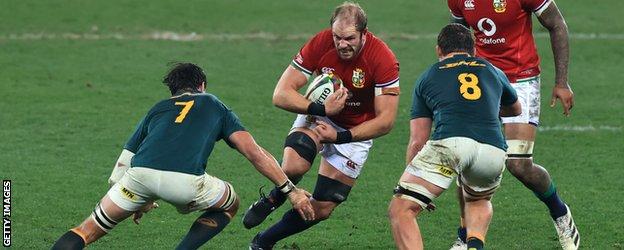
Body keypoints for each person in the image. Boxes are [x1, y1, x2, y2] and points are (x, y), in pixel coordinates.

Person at [51, 63, 315, 250]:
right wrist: (290, 191)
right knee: (230, 203)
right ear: (202, 85)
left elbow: (123, 163)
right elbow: (253, 153)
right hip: (185, 184)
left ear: (172, 92)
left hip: (137, 177)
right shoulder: (213, 103)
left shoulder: (158, 109)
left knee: (85, 231)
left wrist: (138, 200)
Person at [243, 2, 400, 249]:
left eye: (349, 38)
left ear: (364, 33)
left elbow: (386, 121)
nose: (341, 44)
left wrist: (340, 137)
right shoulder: (321, 43)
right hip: (320, 116)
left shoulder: (382, 58)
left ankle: (264, 241)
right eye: (337, 37)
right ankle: (273, 199)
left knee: (324, 207)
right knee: (294, 166)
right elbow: (280, 94)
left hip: (354, 132)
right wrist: (321, 110)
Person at [446, 0, 579, 249]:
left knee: (519, 164)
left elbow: (557, 24)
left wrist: (562, 82)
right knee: (468, 161)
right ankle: (465, 235)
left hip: (522, 78)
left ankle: (559, 212)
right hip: (481, 79)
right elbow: (457, 38)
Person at [388, 23, 521, 250]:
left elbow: (418, 140)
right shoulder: (492, 69)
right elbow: (515, 108)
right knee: (478, 199)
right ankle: (474, 245)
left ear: (439, 50)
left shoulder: (428, 76)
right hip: (493, 151)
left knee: (401, 209)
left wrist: (416, 186)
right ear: (474, 50)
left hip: (451, 144)